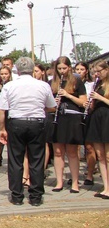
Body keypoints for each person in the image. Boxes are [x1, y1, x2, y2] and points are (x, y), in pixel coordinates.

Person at [0, 57, 57, 206]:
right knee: (36, 160)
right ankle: (36, 197)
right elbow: (52, 106)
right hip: (36, 122)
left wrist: (2, 129)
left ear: (16, 69)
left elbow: (1, 109)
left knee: (15, 160)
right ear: (32, 69)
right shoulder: (43, 85)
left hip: (16, 122)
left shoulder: (9, 86)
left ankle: (17, 195)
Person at [47, 56, 87, 193]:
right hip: (57, 119)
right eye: (59, 69)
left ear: (69, 68)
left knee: (72, 152)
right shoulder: (51, 83)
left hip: (72, 118)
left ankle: (75, 183)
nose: (62, 71)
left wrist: (68, 95)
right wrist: (53, 103)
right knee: (58, 152)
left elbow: (83, 102)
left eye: (64, 68)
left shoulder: (77, 81)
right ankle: (59, 182)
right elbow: (47, 105)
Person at [86, 61, 109, 198]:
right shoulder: (97, 84)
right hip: (97, 118)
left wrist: (99, 97)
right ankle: (105, 187)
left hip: (107, 119)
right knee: (100, 155)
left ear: (107, 70)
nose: (97, 74)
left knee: (108, 155)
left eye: (99, 71)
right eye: (95, 72)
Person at [76, 61, 97, 187]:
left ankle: (89, 174)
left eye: (81, 69)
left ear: (86, 71)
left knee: (89, 147)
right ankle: (75, 174)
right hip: (75, 115)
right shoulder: (72, 83)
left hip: (88, 115)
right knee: (75, 148)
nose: (79, 72)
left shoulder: (91, 85)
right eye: (77, 69)